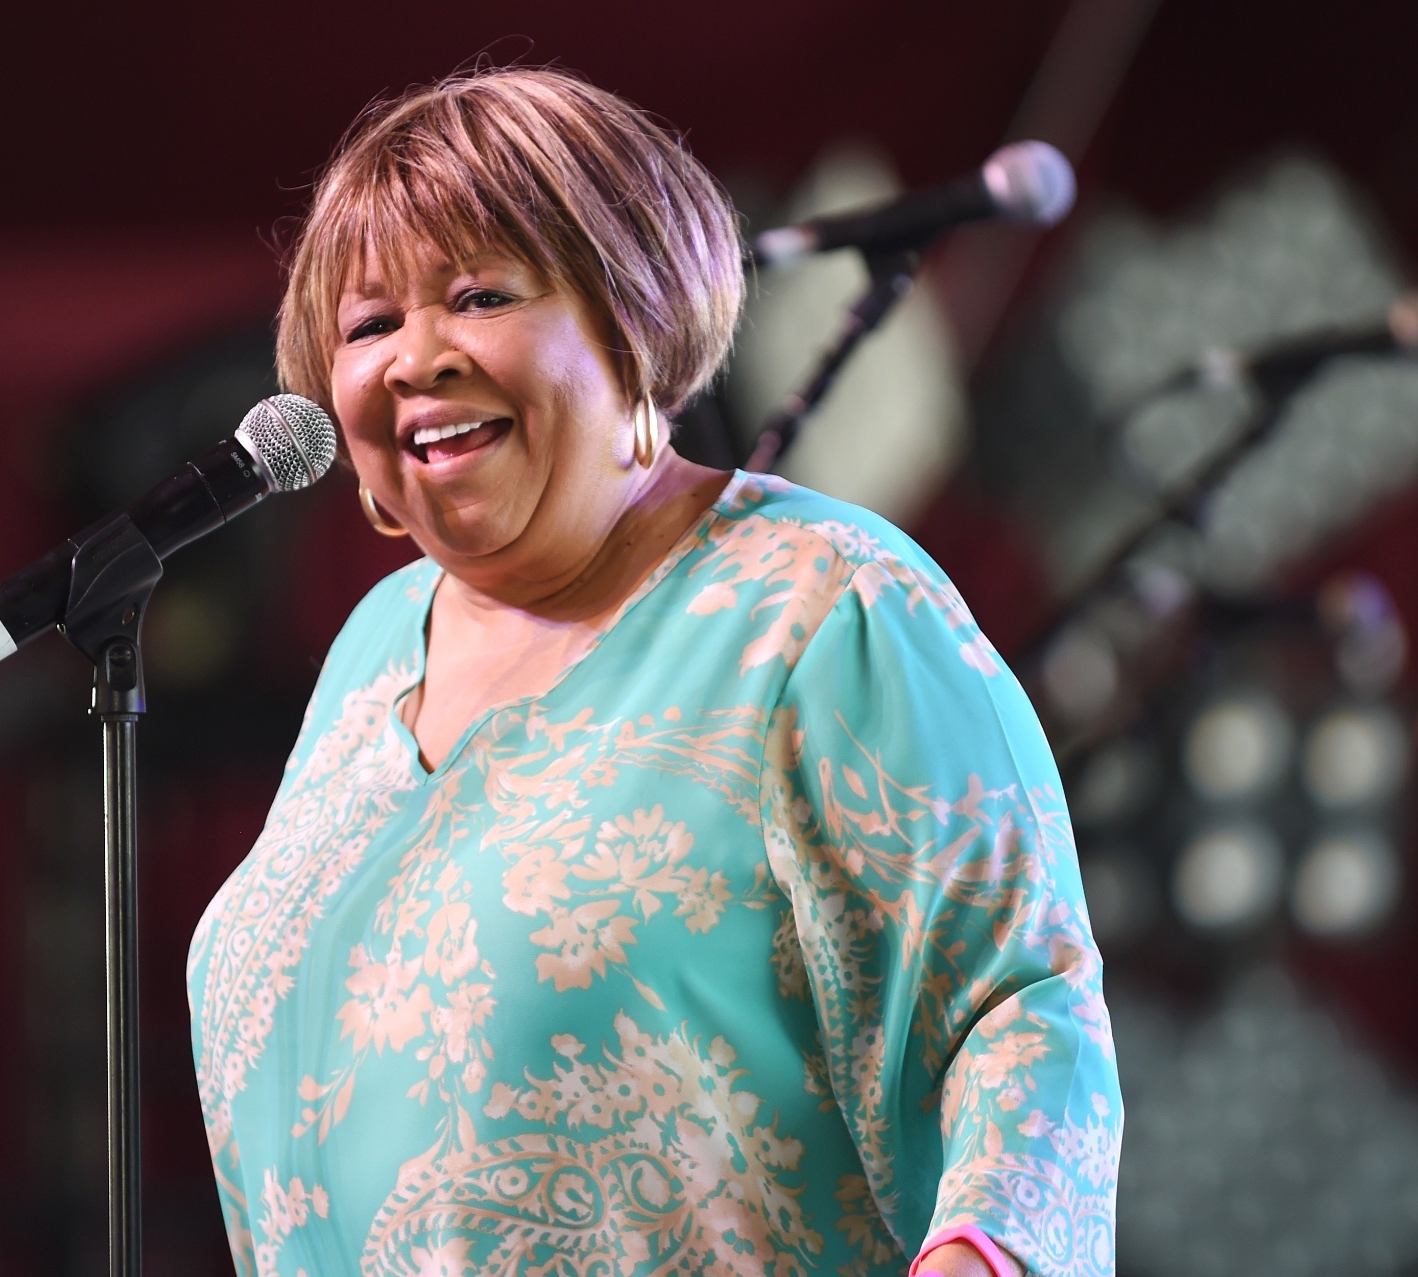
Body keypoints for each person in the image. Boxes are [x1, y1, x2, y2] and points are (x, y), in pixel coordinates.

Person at [188, 66, 1119, 1277]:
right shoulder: (375, 647)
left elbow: (1015, 1007)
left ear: (630, 316)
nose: (416, 358)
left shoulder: (817, 601)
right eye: (369, 325)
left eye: (477, 295)